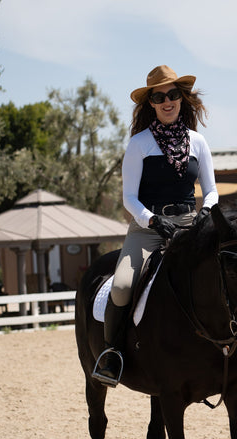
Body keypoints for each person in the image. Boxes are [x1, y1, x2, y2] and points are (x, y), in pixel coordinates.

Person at [92, 65, 219, 387]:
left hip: (191, 223)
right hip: (147, 228)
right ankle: (112, 354)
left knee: (227, 272)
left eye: (172, 95)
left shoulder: (198, 142)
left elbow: (212, 189)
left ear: (182, 98)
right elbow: (129, 198)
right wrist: (153, 219)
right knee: (121, 287)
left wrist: (207, 212)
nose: (167, 101)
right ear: (150, 103)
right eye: (159, 96)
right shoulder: (139, 144)